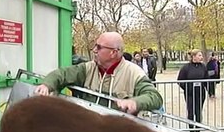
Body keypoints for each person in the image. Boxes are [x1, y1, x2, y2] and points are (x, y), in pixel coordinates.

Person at [35, 32, 163, 115]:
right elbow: (62, 74)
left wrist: (135, 102)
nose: (94, 50)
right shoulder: (87, 68)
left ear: (114, 52)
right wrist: (47, 85)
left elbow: (155, 97)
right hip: (88, 131)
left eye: (99, 47)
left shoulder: (134, 73)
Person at [177, 49, 208, 132]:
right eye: (199, 55)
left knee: (198, 112)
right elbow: (180, 80)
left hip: (200, 93)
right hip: (190, 93)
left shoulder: (203, 67)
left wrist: (210, 91)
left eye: (201, 55)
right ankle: (191, 131)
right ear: (194, 57)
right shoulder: (186, 67)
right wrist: (187, 88)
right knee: (191, 112)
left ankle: (197, 131)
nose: (201, 57)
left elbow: (207, 79)